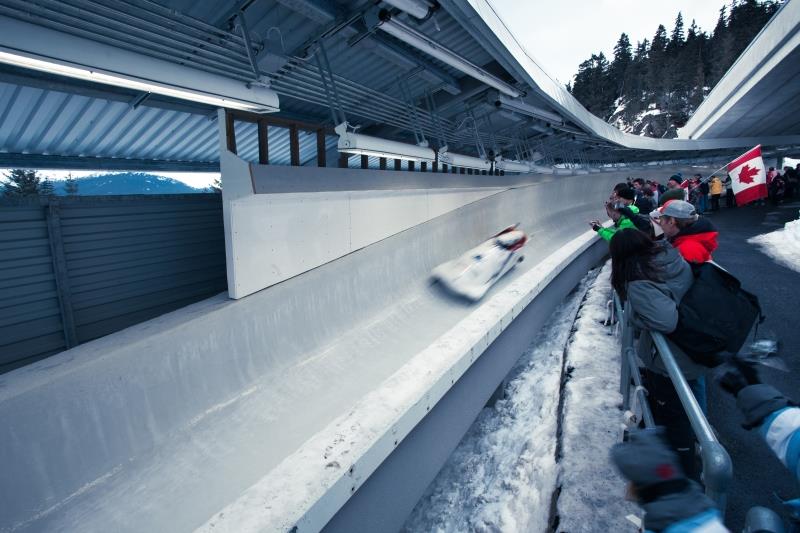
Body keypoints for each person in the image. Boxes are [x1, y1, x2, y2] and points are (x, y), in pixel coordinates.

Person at [610, 229, 707, 479]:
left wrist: (636, 315)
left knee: (674, 421)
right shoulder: (666, 256)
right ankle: (650, 454)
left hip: (671, 360)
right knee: (662, 410)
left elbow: (665, 320)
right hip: (689, 348)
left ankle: (684, 478)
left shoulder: (639, 279)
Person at [611, 429, 728, 532]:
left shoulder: (661, 525)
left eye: (630, 480)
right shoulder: (708, 513)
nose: (626, 493)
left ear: (640, 487)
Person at [652, 200, 718, 263]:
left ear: (671, 222)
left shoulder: (688, 250)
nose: (660, 223)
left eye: (661, 220)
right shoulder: (684, 239)